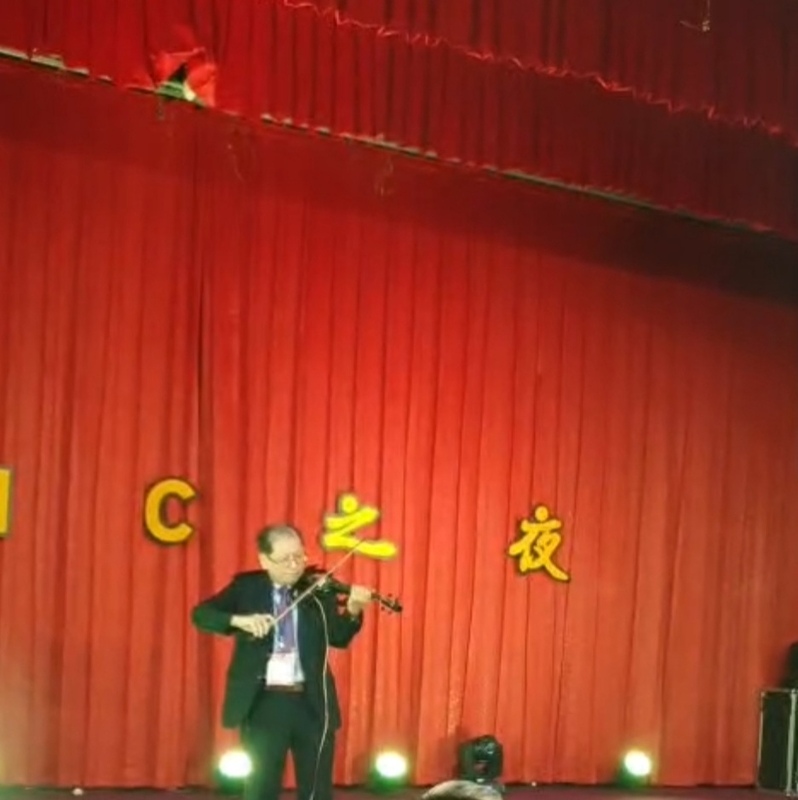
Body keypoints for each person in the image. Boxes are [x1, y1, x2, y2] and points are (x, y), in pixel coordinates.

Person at [191, 524, 373, 800]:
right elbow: (202, 614)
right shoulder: (247, 588)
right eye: (285, 559)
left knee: (317, 790)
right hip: (264, 702)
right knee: (261, 788)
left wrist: (353, 610)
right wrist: (239, 620)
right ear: (264, 560)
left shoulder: (318, 590)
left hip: (312, 702)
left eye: (299, 556)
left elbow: (338, 637)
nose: (294, 565)